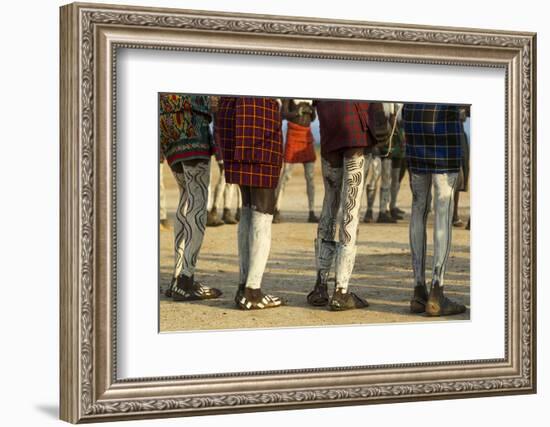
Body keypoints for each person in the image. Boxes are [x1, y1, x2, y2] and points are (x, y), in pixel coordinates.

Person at [215, 96, 285, 310]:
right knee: (263, 209)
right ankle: (252, 291)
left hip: (231, 112)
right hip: (257, 111)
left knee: (248, 205)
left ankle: (243, 287)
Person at [403, 103, 467, 316]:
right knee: (443, 205)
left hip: (413, 116)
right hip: (443, 117)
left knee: (418, 205)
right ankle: (437, 292)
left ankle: (418, 290)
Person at [306, 100, 370, 311]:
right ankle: (341, 291)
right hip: (353, 126)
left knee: (330, 204)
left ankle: (320, 286)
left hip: (329, 125)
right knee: (350, 208)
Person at [159, 93, 222, 301]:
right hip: (191, 119)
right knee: (197, 199)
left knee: (185, 195)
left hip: (165, 120)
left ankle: (177, 277)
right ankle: (186, 280)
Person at [273, 99, 319, 223]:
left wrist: (312, 110)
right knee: (285, 176)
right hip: (293, 135)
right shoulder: (290, 96)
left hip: (306, 136)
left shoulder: (311, 97)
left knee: (310, 178)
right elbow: (283, 114)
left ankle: (312, 212)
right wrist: (298, 112)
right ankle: (276, 209)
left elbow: (313, 118)